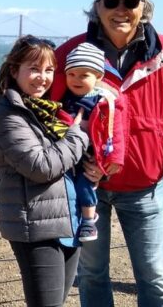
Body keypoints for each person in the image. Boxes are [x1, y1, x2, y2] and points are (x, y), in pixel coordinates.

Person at [50, 0, 163, 307]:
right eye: (111, 1)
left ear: (143, 7)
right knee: (91, 275)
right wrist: (72, 155)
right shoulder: (71, 52)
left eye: (130, 1)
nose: (121, 8)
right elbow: (46, 106)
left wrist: (159, 155)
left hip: (145, 188)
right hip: (87, 188)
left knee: (154, 277)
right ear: (98, 7)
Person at [0, 35, 89, 306]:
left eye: (49, 70)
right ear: (14, 70)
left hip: (67, 220)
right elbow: (42, 167)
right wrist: (80, 135)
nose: (43, 77)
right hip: (36, 227)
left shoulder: (45, 109)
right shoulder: (8, 114)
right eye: (35, 68)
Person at [60, 42, 128, 243]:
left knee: (85, 184)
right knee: (67, 187)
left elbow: (116, 132)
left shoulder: (106, 101)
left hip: (92, 155)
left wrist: (113, 160)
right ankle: (73, 220)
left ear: (98, 77)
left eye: (84, 75)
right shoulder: (65, 97)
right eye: (71, 74)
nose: (76, 80)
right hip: (68, 154)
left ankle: (89, 221)